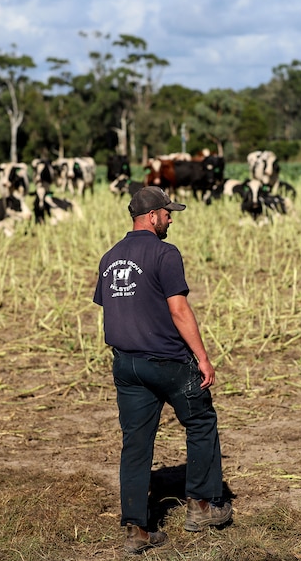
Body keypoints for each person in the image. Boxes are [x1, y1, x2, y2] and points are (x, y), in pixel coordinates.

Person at [93, 186, 233, 554]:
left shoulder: (109, 257)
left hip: (126, 365)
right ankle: (202, 506)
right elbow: (179, 310)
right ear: (152, 216)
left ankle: (137, 530)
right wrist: (202, 356)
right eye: (168, 212)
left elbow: (110, 306)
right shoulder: (165, 253)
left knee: (136, 444)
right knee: (201, 422)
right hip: (168, 361)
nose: (171, 217)